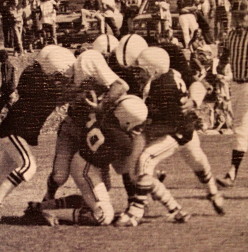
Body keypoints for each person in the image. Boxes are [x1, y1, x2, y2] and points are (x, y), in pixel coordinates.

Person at [114, 46, 224, 226]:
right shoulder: (162, 77)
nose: (137, 74)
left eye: (141, 70)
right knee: (144, 169)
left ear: (154, 70)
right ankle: (177, 209)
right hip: (174, 127)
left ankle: (136, 212)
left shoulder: (164, 87)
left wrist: (144, 128)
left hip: (178, 131)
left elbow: (168, 123)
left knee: (147, 160)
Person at [25, 94, 148, 226]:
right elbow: (120, 169)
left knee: (96, 194)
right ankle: (51, 214)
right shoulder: (122, 140)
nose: (139, 128)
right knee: (104, 216)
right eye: (137, 125)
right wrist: (137, 146)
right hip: (87, 169)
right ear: (128, 120)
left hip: (85, 163)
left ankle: (43, 206)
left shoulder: (104, 118)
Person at [42, 39, 128, 202]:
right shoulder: (84, 62)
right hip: (73, 126)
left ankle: (64, 205)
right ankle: (48, 200)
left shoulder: (91, 62)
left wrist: (101, 106)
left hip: (92, 131)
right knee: (59, 175)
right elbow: (59, 100)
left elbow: (120, 86)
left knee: (103, 186)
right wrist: (76, 92)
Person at [0, 46, 76, 206]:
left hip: (12, 132)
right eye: (61, 76)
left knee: (2, 174)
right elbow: (66, 94)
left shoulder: (34, 78)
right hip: (13, 132)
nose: (64, 80)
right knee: (28, 167)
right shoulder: (43, 86)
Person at [216, 0, 248, 187]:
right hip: (237, 84)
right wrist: (220, 67)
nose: (238, 19)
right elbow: (225, 55)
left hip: (246, 85)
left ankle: (232, 172)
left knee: (241, 128)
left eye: (242, 16)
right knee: (240, 126)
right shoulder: (232, 36)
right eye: (236, 16)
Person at [0, 50, 18, 124]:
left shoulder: (6, 65)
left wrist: (2, 90)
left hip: (9, 90)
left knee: (10, 107)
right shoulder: (7, 64)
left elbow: (6, 79)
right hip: (9, 89)